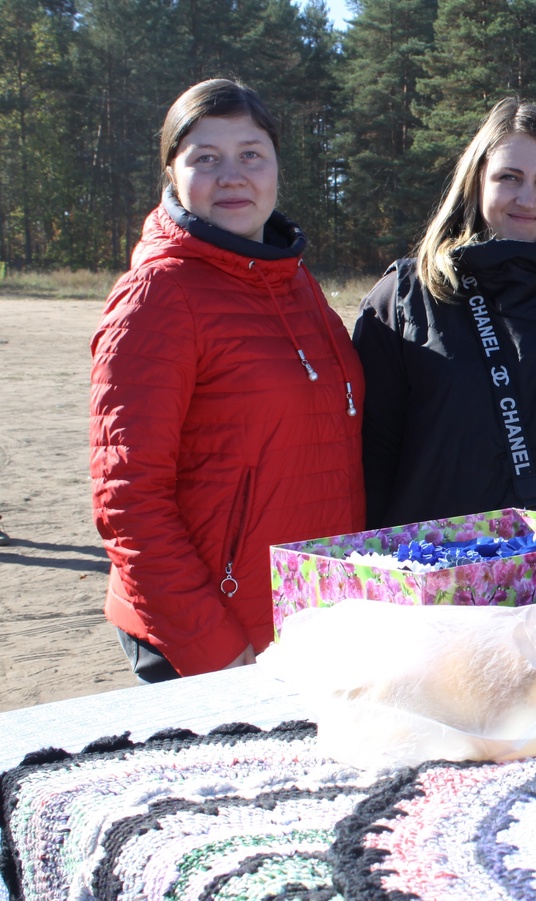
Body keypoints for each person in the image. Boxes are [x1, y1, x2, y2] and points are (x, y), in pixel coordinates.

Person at [90, 79, 365, 682]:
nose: (232, 175)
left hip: (304, 626)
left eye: (250, 154)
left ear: (276, 168)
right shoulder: (158, 295)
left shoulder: (293, 281)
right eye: (205, 158)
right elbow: (129, 499)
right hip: (209, 643)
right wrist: (214, 652)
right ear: (173, 173)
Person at [353, 97, 536, 528]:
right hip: (451, 573)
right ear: (477, 182)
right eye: (509, 178)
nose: (526, 198)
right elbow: (371, 459)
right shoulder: (406, 296)